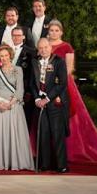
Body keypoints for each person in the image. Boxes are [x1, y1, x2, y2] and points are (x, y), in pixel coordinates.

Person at [47, 20, 97, 166]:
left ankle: (70, 151)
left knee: (68, 115)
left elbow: (69, 67)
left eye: (56, 30)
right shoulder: (44, 45)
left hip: (63, 84)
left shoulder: (67, 46)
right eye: (51, 30)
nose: (53, 33)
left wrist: (58, 83)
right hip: (46, 84)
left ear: (61, 32)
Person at [33, 38, 69, 173]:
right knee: (43, 133)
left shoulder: (59, 61)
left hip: (54, 101)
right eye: (40, 48)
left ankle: (62, 165)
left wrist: (47, 98)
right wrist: (37, 99)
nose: (43, 50)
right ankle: (45, 164)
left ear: (50, 47)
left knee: (57, 133)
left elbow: (62, 84)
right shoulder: (34, 62)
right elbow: (32, 82)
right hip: (40, 101)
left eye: (45, 47)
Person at [10, 27, 37, 127]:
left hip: (24, 90)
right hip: (7, 91)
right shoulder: (5, 50)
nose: (16, 37)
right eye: (14, 35)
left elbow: (33, 74)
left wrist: (29, 91)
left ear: (23, 37)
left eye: (19, 35)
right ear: (11, 37)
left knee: (24, 120)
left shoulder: (32, 52)